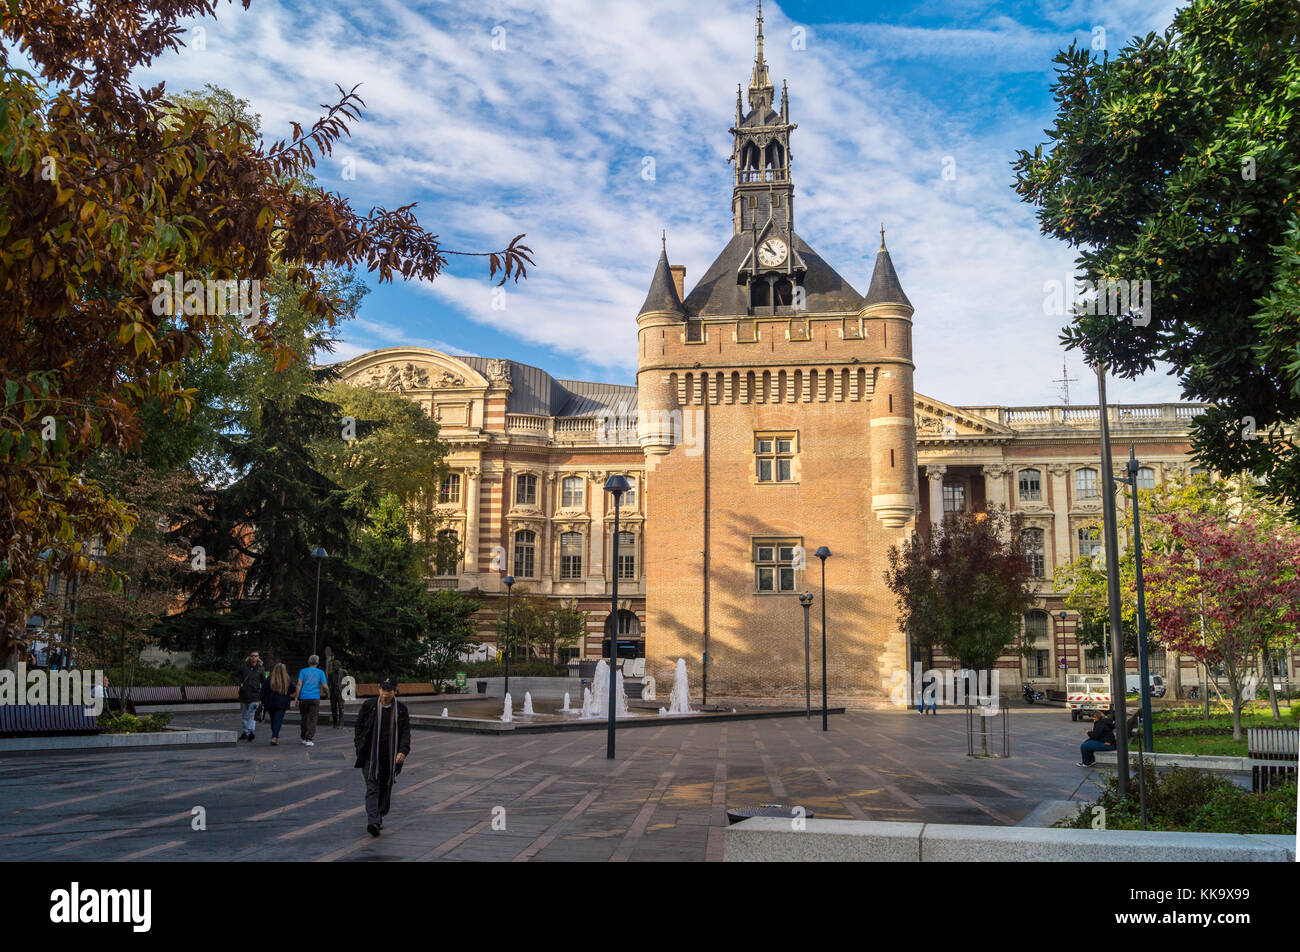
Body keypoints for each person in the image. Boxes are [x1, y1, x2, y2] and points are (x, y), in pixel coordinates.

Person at [353, 676, 410, 837]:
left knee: (384, 788)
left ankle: (379, 815)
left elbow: (405, 732)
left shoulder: (401, 709)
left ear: (395, 691)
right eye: (383, 689)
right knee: (372, 788)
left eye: (389, 690)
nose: (386, 693)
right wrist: (358, 746)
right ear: (379, 690)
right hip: (370, 756)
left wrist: (403, 751)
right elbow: (359, 726)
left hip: (390, 757)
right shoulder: (369, 706)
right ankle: (373, 821)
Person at [294, 654, 329, 747]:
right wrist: (327, 694)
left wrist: (297, 697)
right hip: (314, 698)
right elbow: (325, 686)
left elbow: (299, 684)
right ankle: (309, 738)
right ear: (317, 662)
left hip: (304, 697)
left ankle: (303, 737)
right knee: (312, 719)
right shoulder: (321, 672)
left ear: (309, 661)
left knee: (304, 717)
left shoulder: (303, 671)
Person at [260, 663, 295, 745]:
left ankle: (274, 736)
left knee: (273, 720)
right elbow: (293, 690)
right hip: (282, 703)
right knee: (278, 720)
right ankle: (274, 736)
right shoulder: (287, 679)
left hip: (270, 703)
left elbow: (263, 691)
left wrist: (261, 700)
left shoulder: (269, 679)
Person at [235, 651, 264, 742]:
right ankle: (245, 732)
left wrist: (262, 695)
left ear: (258, 657)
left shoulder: (261, 668)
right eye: (252, 656)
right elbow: (234, 675)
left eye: (256, 656)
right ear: (249, 657)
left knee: (251, 714)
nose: (254, 657)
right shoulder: (244, 667)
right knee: (244, 715)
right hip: (244, 694)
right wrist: (240, 684)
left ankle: (250, 731)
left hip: (255, 695)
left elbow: (263, 682)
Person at [328, 659, 348, 728]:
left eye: (335, 665)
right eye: (333, 665)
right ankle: (335, 723)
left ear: (339, 665)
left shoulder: (343, 672)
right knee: (333, 708)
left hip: (341, 692)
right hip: (333, 693)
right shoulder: (330, 674)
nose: (333, 667)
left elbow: (348, 681)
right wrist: (328, 692)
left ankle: (341, 723)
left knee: (341, 709)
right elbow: (329, 684)